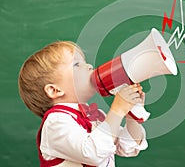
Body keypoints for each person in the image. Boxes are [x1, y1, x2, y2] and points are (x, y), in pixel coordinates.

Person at [18, 41, 148, 167]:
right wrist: (117, 111)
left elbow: (128, 148)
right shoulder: (56, 121)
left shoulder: (95, 116)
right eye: (76, 64)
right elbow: (93, 153)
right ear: (55, 90)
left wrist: (131, 115)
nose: (90, 66)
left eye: (85, 62)